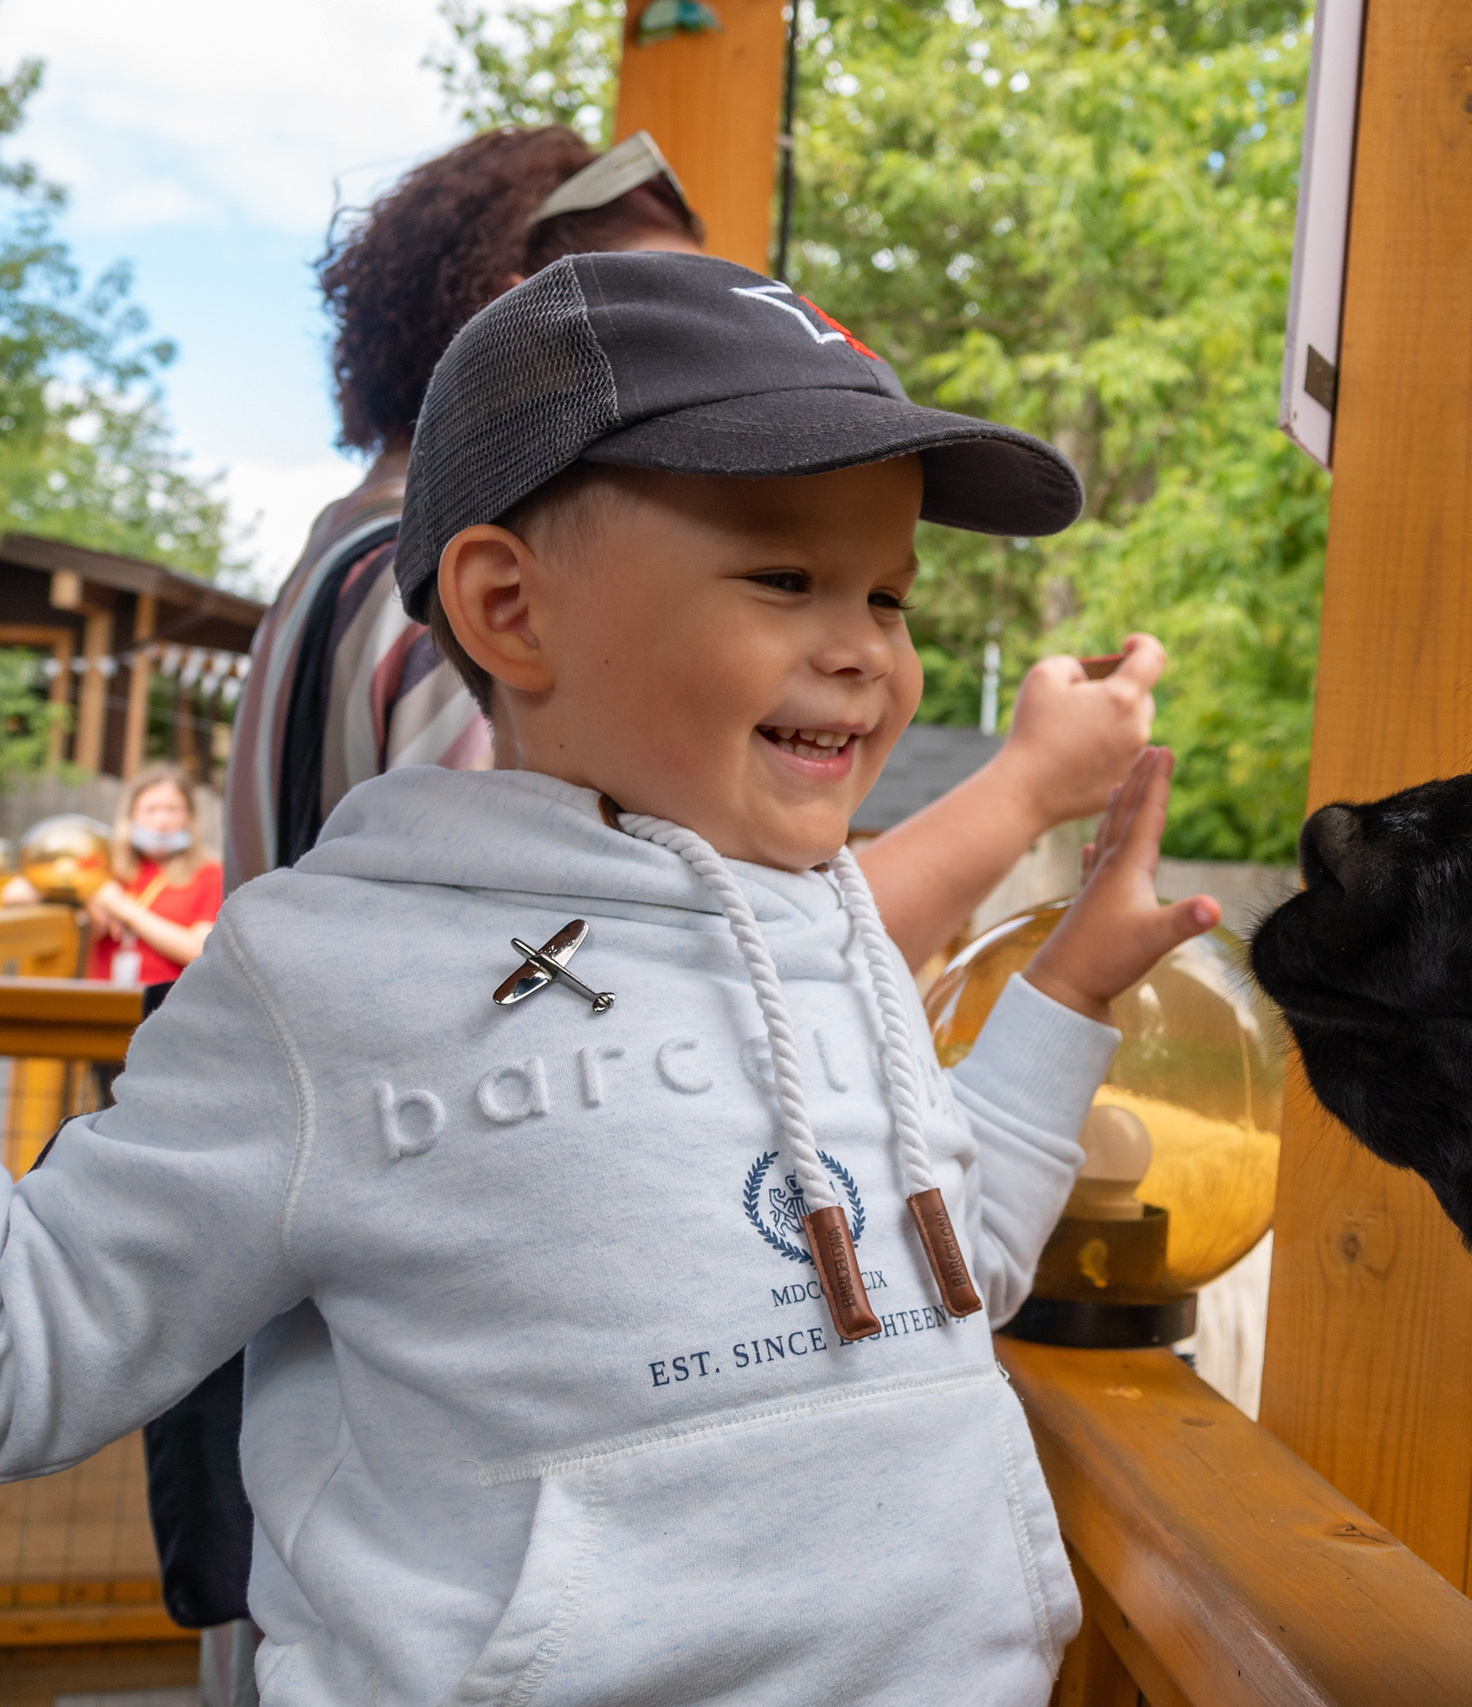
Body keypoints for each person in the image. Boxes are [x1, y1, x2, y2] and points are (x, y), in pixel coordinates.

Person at [9, 251, 1219, 1703]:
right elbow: (43, 1332)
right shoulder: (325, 978)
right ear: (511, 609)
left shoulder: (831, 937)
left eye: (891, 596)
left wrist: (1072, 986)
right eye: (787, 578)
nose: (864, 651)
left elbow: (957, 1273)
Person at [231, 124, 1159, 958]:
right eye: (668, 315)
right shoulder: (465, 609)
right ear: (512, 326)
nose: (732, 339)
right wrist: (1026, 788)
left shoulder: (333, 565)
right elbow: (616, 976)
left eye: (888, 597)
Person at [87, 766, 221, 985]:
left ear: (189, 816)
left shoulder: (210, 873)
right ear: (131, 815)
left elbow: (198, 950)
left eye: (172, 810)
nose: (161, 821)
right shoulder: (103, 865)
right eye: (150, 810)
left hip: (168, 1001)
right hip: (103, 996)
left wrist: (123, 909)